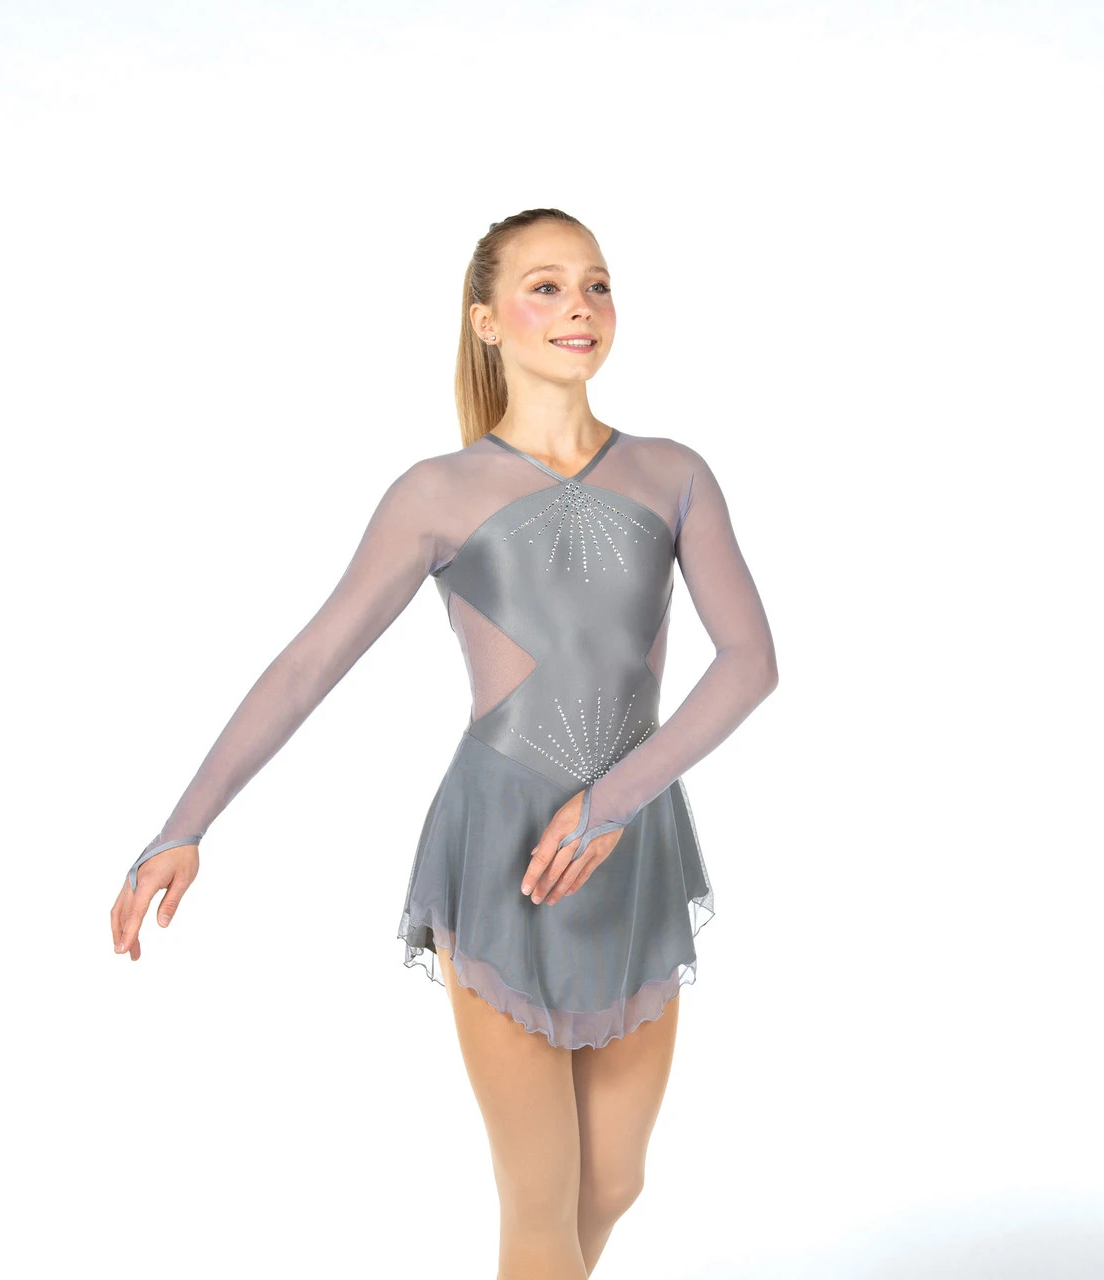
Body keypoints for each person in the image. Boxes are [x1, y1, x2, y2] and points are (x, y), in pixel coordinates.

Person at [110, 207, 778, 1278]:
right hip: (500, 847)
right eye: (546, 285)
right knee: (538, 1196)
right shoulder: (436, 492)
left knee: (612, 1183)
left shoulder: (673, 471)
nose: (579, 306)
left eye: (596, 283)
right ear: (486, 319)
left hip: (633, 841)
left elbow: (749, 661)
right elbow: (307, 663)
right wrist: (183, 826)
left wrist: (613, 803)